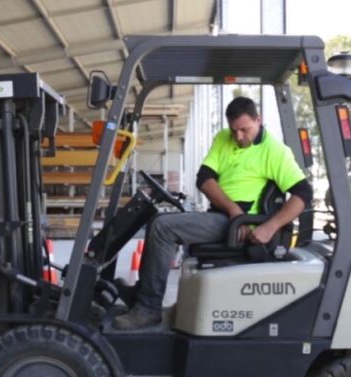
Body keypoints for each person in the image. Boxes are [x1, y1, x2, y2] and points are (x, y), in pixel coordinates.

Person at [113, 96, 312, 330]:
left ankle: (148, 308)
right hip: (228, 216)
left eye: (244, 130)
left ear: (259, 120)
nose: (238, 137)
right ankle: (142, 294)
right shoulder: (223, 138)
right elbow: (204, 178)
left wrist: (269, 227)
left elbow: (303, 193)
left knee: (163, 228)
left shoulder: (276, 152)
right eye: (234, 130)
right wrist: (233, 210)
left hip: (241, 227)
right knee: (157, 220)